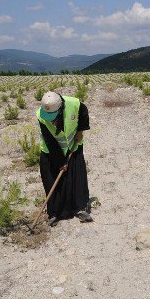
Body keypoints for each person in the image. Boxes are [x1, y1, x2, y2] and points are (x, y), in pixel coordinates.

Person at [37, 91, 92, 226]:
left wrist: (80, 131)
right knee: (52, 179)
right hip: (51, 151)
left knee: (76, 177)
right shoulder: (41, 115)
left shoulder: (74, 104)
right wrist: (61, 162)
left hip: (73, 146)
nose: (50, 119)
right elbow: (50, 141)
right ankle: (55, 213)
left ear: (61, 108)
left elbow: (83, 112)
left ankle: (79, 208)